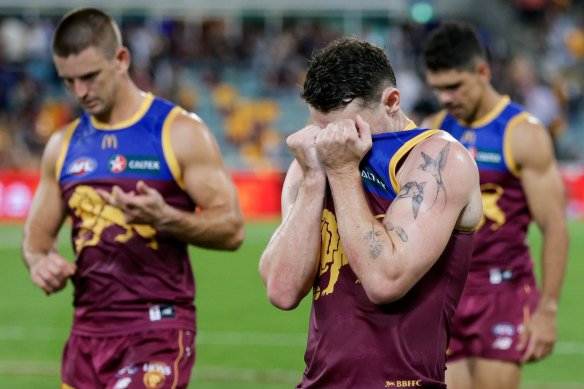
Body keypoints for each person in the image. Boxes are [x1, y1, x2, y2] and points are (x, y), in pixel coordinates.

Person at [21, 8, 244, 389]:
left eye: (90, 76)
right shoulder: (62, 145)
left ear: (122, 59)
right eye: (68, 80)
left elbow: (232, 228)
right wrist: (41, 263)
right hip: (86, 336)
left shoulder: (180, 132)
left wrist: (167, 218)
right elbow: (36, 243)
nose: (80, 92)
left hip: (157, 328)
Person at [259, 37, 483, 388]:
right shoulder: (312, 163)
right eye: (321, 128)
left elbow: (385, 280)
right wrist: (314, 180)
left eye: (347, 128)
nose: (332, 140)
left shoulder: (437, 158)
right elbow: (282, 292)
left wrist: (344, 173)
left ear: (391, 101)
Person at [422, 21, 569, 389]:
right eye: (438, 89)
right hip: (447, 293)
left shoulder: (523, 134)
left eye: (454, 86)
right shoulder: (434, 129)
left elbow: (554, 226)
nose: (446, 98)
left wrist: (548, 309)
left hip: (502, 292)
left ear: (483, 72)